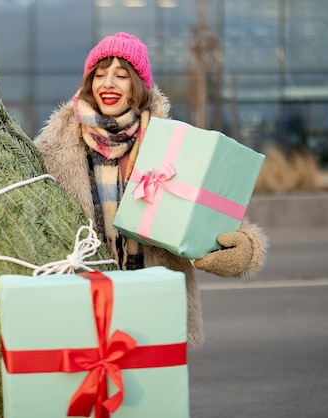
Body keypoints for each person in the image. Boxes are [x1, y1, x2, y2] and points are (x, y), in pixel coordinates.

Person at [34, 32, 268, 348]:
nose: (108, 84)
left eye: (121, 75)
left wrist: (242, 249)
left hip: (154, 303)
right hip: (83, 308)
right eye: (100, 75)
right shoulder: (53, 150)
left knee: (152, 395)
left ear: (137, 86)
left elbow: (209, 211)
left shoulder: (172, 144)